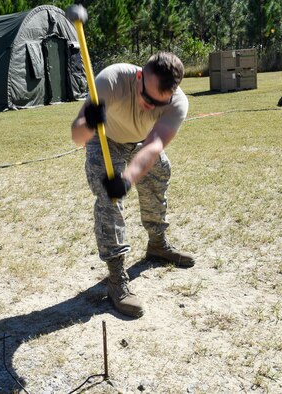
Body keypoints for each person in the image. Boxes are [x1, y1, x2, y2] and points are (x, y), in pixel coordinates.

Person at [71, 52, 195, 318]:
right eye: (147, 97)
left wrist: (127, 178)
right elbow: (77, 135)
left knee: (160, 172)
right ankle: (116, 278)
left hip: (142, 143)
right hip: (106, 140)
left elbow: (154, 145)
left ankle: (157, 244)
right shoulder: (111, 80)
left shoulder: (178, 103)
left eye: (158, 102)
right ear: (139, 77)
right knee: (108, 197)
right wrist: (88, 121)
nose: (150, 106)